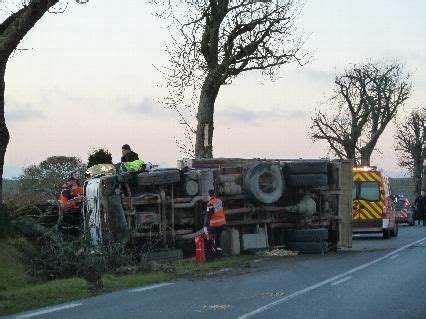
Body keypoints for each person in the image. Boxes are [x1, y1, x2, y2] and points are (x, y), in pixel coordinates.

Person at [203, 189, 227, 255]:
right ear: (214, 194)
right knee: (217, 239)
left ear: (209, 195)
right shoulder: (219, 201)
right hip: (222, 224)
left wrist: (205, 226)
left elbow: (208, 215)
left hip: (215, 225)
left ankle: (210, 255)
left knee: (208, 238)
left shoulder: (210, 203)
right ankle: (219, 254)